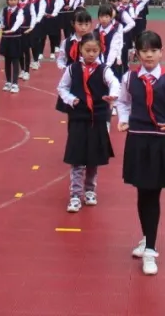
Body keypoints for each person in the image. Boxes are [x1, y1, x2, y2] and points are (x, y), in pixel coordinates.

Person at [117, 30, 165, 276]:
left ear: (161, 52)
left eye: (154, 50)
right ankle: (147, 237)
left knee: (153, 194)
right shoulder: (128, 78)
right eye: (145, 51)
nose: (149, 55)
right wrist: (123, 119)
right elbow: (122, 102)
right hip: (137, 139)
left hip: (159, 141)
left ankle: (151, 249)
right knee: (141, 191)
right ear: (137, 53)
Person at [57, 33, 119, 213]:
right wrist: (70, 99)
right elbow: (62, 87)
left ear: (100, 50)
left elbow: (114, 82)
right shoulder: (72, 69)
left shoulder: (104, 69)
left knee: (93, 158)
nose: (91, 54)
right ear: (80, 50)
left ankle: (90, 190)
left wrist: (113, 95)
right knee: (77, 158)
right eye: (87, 50)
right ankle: (75, 194)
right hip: (78, 117)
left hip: (97, 118)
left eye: (95, 50)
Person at [0, 0, 26, 93]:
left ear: (17, 0)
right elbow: (1, 20)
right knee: (7, 61)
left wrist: (12, 29)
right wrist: (1, 25)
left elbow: (19, 21)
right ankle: (8, 81)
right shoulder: (4, 10)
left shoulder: (20, 11)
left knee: (15, 60)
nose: (13, 1)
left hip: (15, 37)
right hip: (6, 38)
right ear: (7, 0)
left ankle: (15, 83)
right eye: (11, 0)